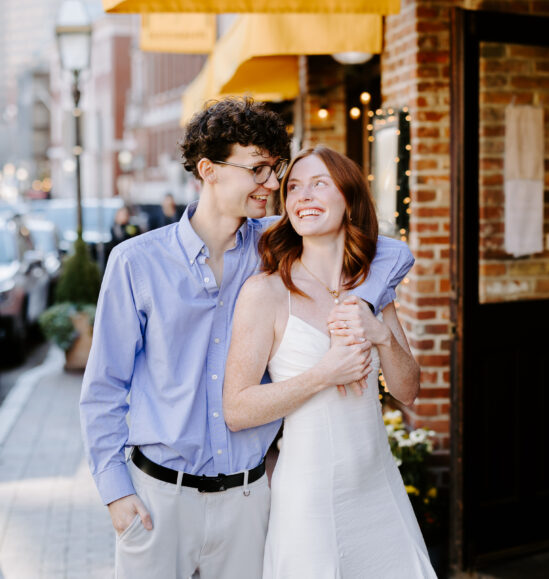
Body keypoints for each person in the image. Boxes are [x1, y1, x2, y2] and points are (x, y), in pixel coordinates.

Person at [79, 98, 414, 579]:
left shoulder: (276, 246)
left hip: (248, 498)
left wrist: (363, 307)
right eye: (258, 168)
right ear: (208, 170)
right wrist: (116, 492)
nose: (273, 183)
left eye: (276, 168)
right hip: (157, 497)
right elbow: (104, 388)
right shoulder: (136, 262)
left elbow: (388, 250)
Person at [223, 146, 434, 578]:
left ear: (348, 198)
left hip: (378, 487)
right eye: (294, 187)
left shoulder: (371, 285)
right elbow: (236, 409)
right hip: (309, 499)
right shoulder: (266, 292)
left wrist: (381, 336)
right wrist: (325, 373)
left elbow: (408, 389)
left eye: (320, 183)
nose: (303, 196)